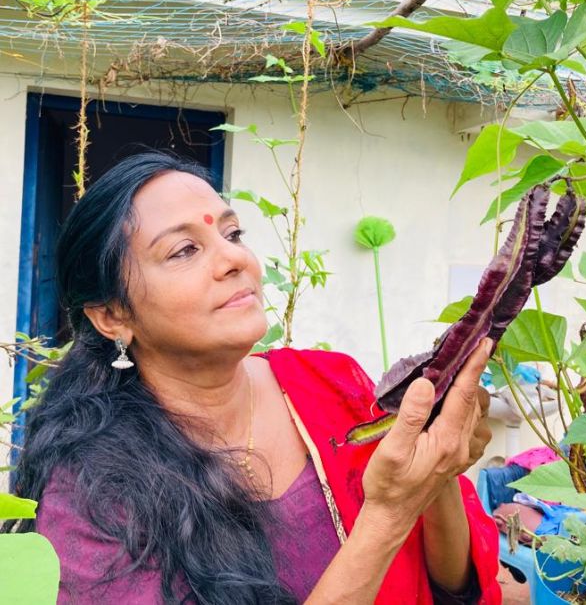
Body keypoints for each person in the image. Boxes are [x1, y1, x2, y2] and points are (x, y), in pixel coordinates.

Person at [4, 151, 501, 604]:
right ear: (112, 316)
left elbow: (452, 587)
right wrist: (386, 517)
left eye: (233, 233)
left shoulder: (329, 384)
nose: (234, 260)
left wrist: (435, 475)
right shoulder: (91, 495)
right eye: (183, 251)